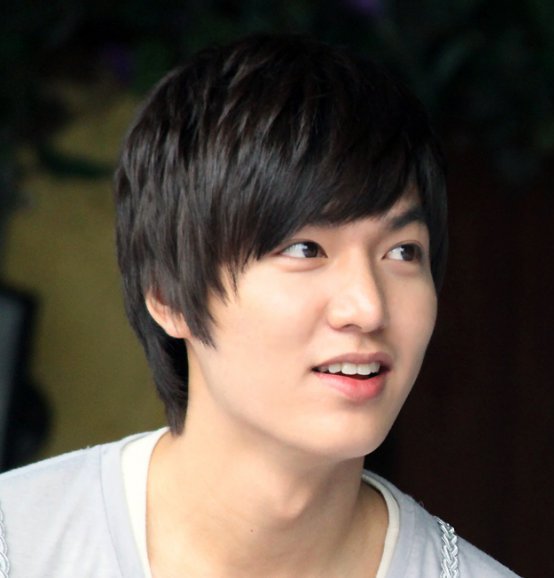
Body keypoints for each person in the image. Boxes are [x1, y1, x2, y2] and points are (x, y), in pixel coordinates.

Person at [0, 34, 520, 577]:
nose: (368, 308)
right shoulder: (18, 546)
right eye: (305, 249)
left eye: (402, 252)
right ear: (167, 295)